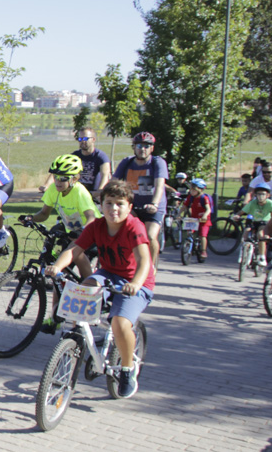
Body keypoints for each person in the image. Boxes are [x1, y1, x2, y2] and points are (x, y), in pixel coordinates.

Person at [45, 180, 155, 398]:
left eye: (119, 204)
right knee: (84, 289)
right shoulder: (96, 226)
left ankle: (126, 369)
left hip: (135, 280)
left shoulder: (134, 227)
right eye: (109, 203)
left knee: (119, 323)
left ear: (129, 207)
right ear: (101, 205)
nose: (113, 208)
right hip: (108, 274)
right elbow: (74, 249)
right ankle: (75, 339)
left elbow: (144, 261)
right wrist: (57, 266)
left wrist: (135, 284)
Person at [19, 154, 99, 332]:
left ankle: (91, 288)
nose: (58, 181)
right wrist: (31, 218)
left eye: (63, 178)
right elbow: (44, 214)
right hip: (72, 234)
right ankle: (55, 317)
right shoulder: (53, 190)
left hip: (92, 233)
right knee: (58, 271)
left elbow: (91, 218)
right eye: (56, 177)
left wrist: (81, 232)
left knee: (76, 255)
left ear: (75, 178)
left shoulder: (80, 192)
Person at [111, 131, 167, 268]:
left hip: (153, 207)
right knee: (121, 232)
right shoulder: (127, 162)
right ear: (134, 147)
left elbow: (159, 185)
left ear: (152, 148)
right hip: (133, 206)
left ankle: (151, 268)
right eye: (139, 145)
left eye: (147, 146)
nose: (143, 149)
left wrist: (154, 203)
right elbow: (113, 183)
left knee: (150, 236)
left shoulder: (157, 162)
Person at [37, 127, 110, 194]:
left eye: (85, 139)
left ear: (93, 139)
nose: (82, 142)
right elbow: (57, 170)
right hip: (75, 192)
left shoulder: (100, 156)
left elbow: (105, 175)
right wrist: (46, 185)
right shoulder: (74, 156)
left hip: (92, 193)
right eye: (80, 139)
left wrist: (99, 191)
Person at [234, 184, 272, 267]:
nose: (260, 196)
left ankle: (262, 257)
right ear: (255, 195)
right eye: (258, 194)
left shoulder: (270, 203)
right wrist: (237, 215)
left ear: (268, 195)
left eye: (263, 194)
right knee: (246, 232)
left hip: (264, 221)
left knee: (260, 234)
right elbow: (243, 211)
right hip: (253, 221)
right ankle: (243, 252)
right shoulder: (253, 202)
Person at [182, 178, 213, 259]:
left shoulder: (204, 198)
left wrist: (205, 215)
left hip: (203, 220)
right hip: (194, 219)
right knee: (189, 232)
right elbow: (184, 206)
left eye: (193, 190)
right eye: (191, 189)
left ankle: (203, 251)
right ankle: (188, 244)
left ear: (199, 190)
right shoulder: (190, 197)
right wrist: (178, 214)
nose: (191, 191)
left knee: (202, 235)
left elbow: (208, 209)